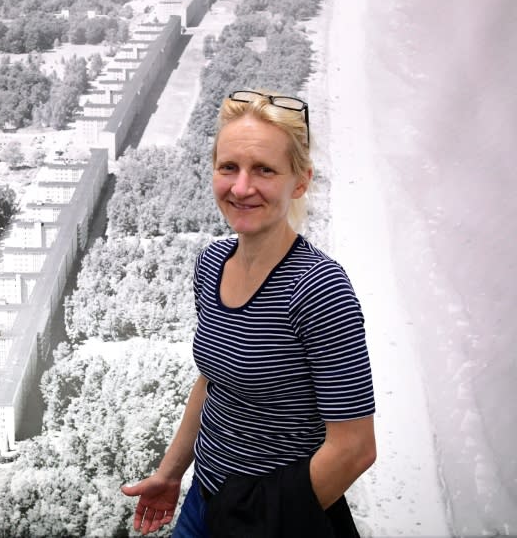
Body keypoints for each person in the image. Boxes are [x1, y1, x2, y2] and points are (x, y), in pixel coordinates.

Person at [121, 89, 377, 537]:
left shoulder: (318, 289)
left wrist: (260, 520)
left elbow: (355, 449)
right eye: (229, 168)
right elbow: (214, 380)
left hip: (270, 518)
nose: (241, 187)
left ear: (299, 181)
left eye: (264, 170)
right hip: (204, 499)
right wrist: (171, 473)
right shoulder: (211, 264)